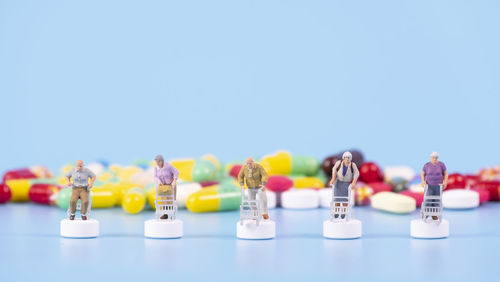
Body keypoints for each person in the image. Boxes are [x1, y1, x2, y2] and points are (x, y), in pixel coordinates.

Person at [329, 151, 359, 219]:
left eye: (348, 158)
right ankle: (336, 212)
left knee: (345, 200)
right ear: (343, 158)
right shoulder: (339, 163)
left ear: (350, 158)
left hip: (346, 183)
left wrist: (354, 182)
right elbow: (334, 169)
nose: (347, 159)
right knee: (337, 199)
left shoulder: (352, 165)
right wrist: (333, 178)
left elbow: (356, 173)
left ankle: (343, 212)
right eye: (346, 157)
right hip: (338, 183)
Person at [421, 152, 448, 220]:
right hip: (429, 186)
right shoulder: (426, 165)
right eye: (433, 157)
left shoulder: (441, 164)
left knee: (437, 200)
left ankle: (435, 215)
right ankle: (426, 214)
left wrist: (445, 181)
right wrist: (423, 181)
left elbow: (445, 173)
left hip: (438, 186)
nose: (434, 159)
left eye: (436, 157)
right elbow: (422, 174)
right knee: (428, 200)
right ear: (430, 158)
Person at [154, 155, 179, 220]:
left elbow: (176, 172)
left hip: (170, 185)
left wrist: (175, 180)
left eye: (158, 162)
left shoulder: (168, 166)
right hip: (163, 185)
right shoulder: (156, 168)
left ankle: (171, 214)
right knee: (163, 200)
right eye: (156, 162)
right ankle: (165, 214)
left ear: (161, 161)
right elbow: (155, 176)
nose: (157, 164)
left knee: (170, 200)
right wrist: (159, 181)